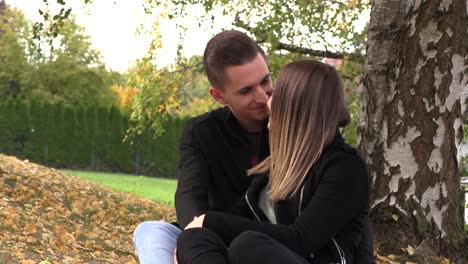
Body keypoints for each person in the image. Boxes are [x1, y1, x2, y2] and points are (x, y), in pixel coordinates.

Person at [176, 60, 375, 264]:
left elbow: (300, 240)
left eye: (274, 107)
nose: (267, 104)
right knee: (194, 237)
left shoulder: (345, 169)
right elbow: (236, 217)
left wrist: (211, 221)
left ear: (293, 110)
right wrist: (196, 230)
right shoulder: (276, 166)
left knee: (248, 246)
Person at [133, 30, 272, 264]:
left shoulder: (295, 124)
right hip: (212, 241)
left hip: (270, 246)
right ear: (218, 96)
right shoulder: (202, 132)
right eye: (246, 90)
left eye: (266, 81)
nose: (262, 96)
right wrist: (193, 238)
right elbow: (189, 195)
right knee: (150, 232)